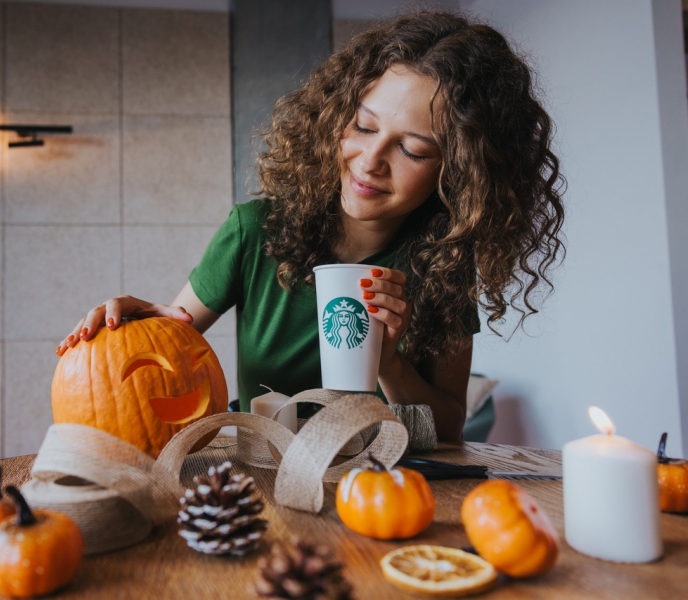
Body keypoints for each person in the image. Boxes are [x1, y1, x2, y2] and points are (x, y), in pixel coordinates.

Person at [56, 10, 565, 442]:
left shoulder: (447, 265)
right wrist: (143, 324)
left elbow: (450, 428)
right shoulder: (252, 232)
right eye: (363, 126)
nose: (370, 161)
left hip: (382, 489)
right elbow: (171, 348)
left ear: (461, 173)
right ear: (334, 116)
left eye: (413, 149)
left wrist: (390, 364)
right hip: (266, 480)